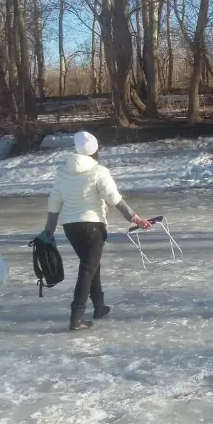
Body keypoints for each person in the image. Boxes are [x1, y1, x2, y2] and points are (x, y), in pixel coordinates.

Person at [42, 131, 152, 331]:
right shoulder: (99, 171)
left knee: (91, 265)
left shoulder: (63, 172)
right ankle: (76, 316)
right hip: (93, 227)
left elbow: (54, 201)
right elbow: (114, 198)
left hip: (70, 228)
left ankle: (99, 307)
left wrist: (48, 230)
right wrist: (135, 218)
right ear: (95, 151)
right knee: (87, 268)